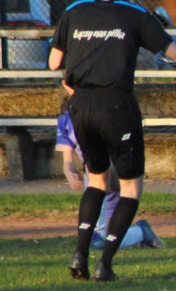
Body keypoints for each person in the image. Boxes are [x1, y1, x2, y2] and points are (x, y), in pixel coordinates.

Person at [47, 0, 176, 281]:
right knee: (131, 188)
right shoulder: (135, 14)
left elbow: (53, 62)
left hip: (81, 106)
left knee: (96, 180)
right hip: (117, 105)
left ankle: (79, 255)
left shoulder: (75, 10)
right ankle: (105, 264)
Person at [56, 90, 163, 251]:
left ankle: (101, 234)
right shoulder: (66, 118)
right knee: (108, 238)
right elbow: (68, 159)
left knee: (94, 166)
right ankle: (141, 232)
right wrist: (69, 172)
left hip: (112, 172)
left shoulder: (103, 109)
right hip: (95, 177)